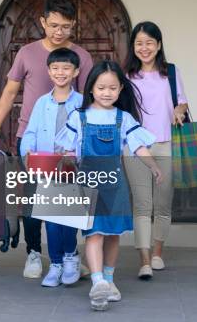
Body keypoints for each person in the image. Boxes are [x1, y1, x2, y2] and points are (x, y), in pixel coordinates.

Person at [0, 0, 93, 278]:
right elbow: (10, 92)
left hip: (68, 143)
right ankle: (34, 253)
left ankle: (68, 255)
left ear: (74, 25)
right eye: (54, 25)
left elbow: (89, 101)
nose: (60, 32)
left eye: (66, 26)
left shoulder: (82, 56)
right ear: (43, 21)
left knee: (66, 200)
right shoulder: (27, 53)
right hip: (31, 138)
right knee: (33, 199)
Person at [55, 61, 162, 311]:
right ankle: (97, 281)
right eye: (101, 87)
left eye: (112, 88)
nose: (107, 92)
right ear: (91, 88)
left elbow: (138, 146)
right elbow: (68, 149)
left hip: (115, 186)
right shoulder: (78, 117)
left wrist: (153, 166)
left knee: (113, 234)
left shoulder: (122, 118)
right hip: (88, 185)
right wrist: (67, 161)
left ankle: (110, 280)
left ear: (120, 89)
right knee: (94, 233)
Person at [122, 21, 188, 279]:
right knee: (141, 205)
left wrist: (179, 111)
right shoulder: (126, 75)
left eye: (150, 42)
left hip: (164, 144)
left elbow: (182, 103)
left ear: (159, 45)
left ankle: (158, 253)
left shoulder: (170, 72)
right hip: (135, 147)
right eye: (139, 43)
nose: (144, 48)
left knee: (162, 204)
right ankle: (144, 259)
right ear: (133, 46)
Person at [20, 48, 83, 287]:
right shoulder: (41, 103)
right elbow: (31, 132)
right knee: (52, 219)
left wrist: (75, 153)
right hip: (46, 169)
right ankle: (55, 263)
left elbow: (85, 134)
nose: (60, 72)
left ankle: (71, 257)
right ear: (48, 71)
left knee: (68, 218)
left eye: (66, 68)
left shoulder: (82, 102)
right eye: (55, 68)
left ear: (76, 71)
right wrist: (27, 151)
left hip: (71, 169)